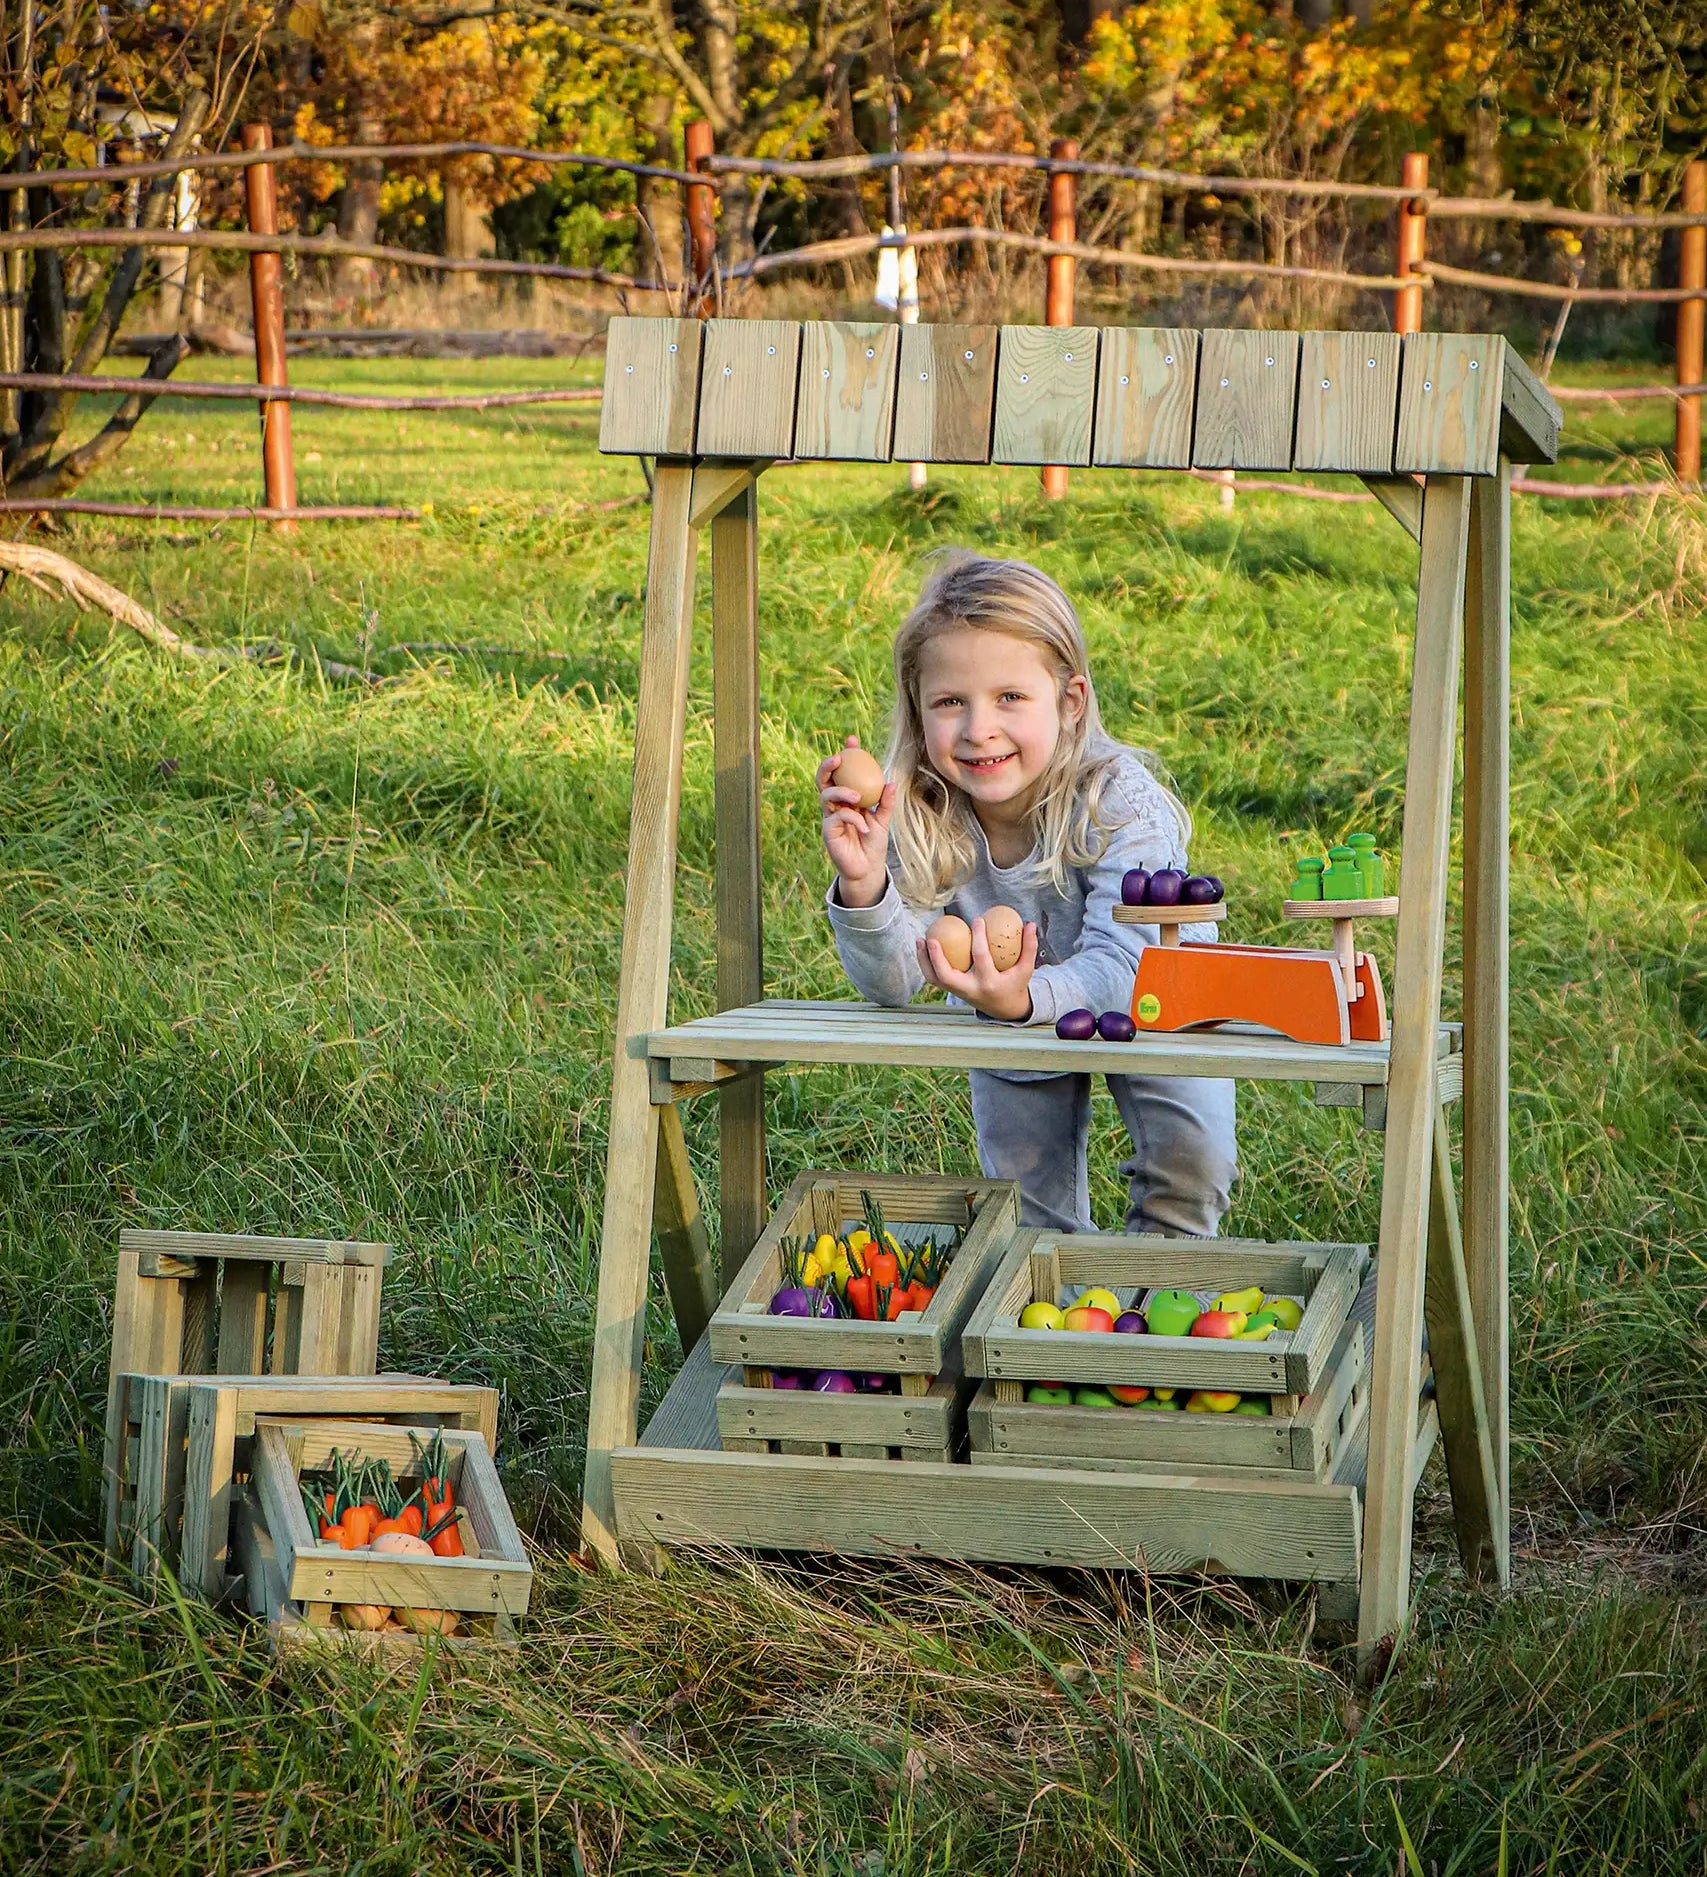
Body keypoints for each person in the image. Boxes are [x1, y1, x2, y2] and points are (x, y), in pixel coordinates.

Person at [817, 550, 1236, 1237]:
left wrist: (1022, 998)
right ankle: (1051, 1326)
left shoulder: (1118, 801)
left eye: (1009, 697)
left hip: (1165, 1005)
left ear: (1068, 702)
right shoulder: (923, 810)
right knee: (1026, 1200)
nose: (978, 728)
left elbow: (1129, 968)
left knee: (1190, 1167)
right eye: (951, 702)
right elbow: (894, 980)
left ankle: (1163, 1315)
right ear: (919, 712)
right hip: (1007, 1012)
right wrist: (865, 884)